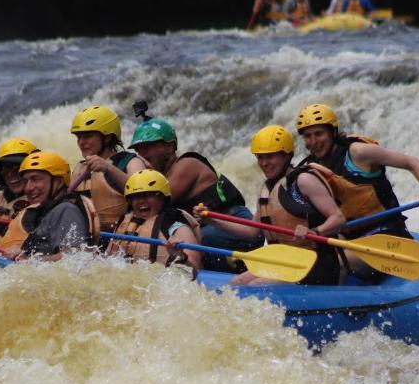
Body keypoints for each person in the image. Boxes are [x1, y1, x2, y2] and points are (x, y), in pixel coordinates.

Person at [196, 125, 346, 286]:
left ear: (287, 155)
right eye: (260, 157)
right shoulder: (265, 189)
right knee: (237, 281)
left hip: (315, 263)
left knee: (257, 285)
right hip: (284, 261)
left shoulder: (304, 180)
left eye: (270, 157)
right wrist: (212, 220)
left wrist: (315, 231)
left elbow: (338, 218)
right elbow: (251, 232)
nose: (264, 163)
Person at [294, 103, 419, 255]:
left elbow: (410, 162)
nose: (313, 141)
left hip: (388, 235)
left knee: (334, 263)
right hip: (351, 240)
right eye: (308, 136)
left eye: (319, 134)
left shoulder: (358, 152)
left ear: (333, 132)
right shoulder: (312, 169)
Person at [128, 117, 262, 272]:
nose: (142, 153)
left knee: (191, 241)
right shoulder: (160, 176)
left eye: (148, 146)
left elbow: (158, 201)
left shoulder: (187, 164)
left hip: (241, 226)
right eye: (138, 149)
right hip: (213, 229)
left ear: (170, 147)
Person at [0, 151, 97, 261]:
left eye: (36, 179)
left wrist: (30, 261)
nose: (28, 188)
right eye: (26, 181)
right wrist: (23, 252)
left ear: (59, 182)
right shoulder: (45, 212)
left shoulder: (66, 210)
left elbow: (75, 258)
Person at [107, 170, 203, 278]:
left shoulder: (174, 224)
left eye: (147, 195)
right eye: (136, 197)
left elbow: (194, 270)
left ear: (162, 198)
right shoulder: (124, 221)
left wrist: (180, 256)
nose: (140, 201)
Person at [69, 105, 147, 235]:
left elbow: (145, 193)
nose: (81, 142)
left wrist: (109, 168)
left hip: (122, 237)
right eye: (79, 137)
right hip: (87, 239)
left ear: (107, 137)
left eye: (88, 136)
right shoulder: (79, 168)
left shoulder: (131, 162)